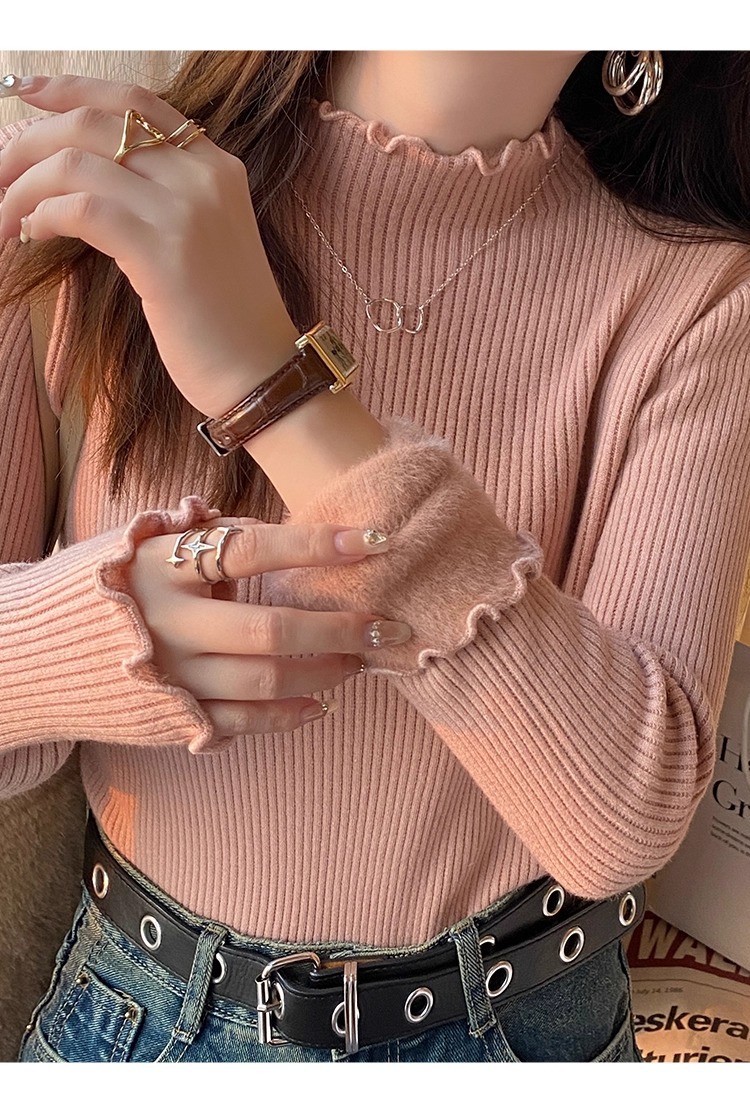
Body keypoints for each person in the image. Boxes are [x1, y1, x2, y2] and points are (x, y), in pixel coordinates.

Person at [0, 49, 748, 1064]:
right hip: (137, 1023)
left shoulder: (701, 293)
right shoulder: (108, 175)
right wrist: (101, 639)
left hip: (519, 1031)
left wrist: (275, 387)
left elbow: (621, 816)